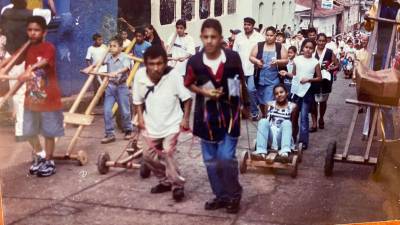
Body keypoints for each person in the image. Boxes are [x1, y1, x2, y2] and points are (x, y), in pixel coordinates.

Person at [184, 18, 250, 214]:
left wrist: (246, 105)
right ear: (201, 38)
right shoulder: (195, 61)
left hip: (230, 114)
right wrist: (204, 92)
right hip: (205, 118)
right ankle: (221, 196)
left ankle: (234, 194)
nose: (210, 41)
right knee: (211, 162)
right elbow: (188, 83)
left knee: (225, 157)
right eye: (206, 37)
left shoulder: (232, 57)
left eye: (214, 37)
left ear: (221, 38)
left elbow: (241, 82)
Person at [133, 46, 192, 202]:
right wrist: (139, 118)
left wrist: (185, 119)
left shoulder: (173, 76)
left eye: (160, 63)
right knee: (147, 156)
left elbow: (187, 99)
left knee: (167, 152)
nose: (156, 68)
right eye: (151, 64)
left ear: (165, 63)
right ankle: (165, 180)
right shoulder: (139, 76)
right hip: (150, 124)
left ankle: (177, 185)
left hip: (172, 124)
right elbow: (137, 101)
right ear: (145, 63)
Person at [17, 16, 64, 177]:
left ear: (44, 32)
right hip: (32, 95)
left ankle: (49, 161)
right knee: (28, 130)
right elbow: (14, 59)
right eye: (30, 30)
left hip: (49, 96)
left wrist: (30, 70)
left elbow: (44, 62)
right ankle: (41, 155)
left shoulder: (48, 47)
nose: (32, 33)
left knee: (49, 131)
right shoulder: (27, 48)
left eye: (36, 30)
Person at [84, 36, 133, 144]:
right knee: (106, 111)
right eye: (110, 46)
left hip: (121, 87)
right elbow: (99, 62)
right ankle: (109, 134)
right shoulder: (109, 56)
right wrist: (90, 67)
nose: (111, 48)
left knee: (125, 111)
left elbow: (126, 68)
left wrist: (117, 72)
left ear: (120, 48)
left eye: (114, 46)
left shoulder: (125, 57)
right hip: (110, 87)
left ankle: (128, 130)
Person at [249, 26, 288, 115]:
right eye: (267, 35)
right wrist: (257, 61)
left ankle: (268, 118)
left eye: (271, 35)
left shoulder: (279, 47)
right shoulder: (259, 45)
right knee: (261, 99)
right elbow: (251, 57)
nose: (268, 37)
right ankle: (264, 115)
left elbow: (286, 61)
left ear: (275, 36)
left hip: (273, 79)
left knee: (268, 101)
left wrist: (277, 62)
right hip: (259, 78)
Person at [291, 39, 322, 150]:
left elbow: (319, 78)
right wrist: (286, 74)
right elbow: (294, 74)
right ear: (302, 48)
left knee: (304, 117)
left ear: (313, 50)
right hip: (296, 91)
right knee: (293, 116)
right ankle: (292, 138)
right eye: (306, 47)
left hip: (307, 92)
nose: (308, 50)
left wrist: (309, 79)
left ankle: (303, 141)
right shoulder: (297, 59)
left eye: (310, 48)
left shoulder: (315, 62)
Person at [255, 84, 297, 163]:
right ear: (274, 96)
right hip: (270, 138)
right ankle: (261, 151)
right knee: (263, 121)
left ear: (287, 93)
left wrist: (292, 141)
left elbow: (294, 125)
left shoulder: (293, 106)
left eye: (281, 92)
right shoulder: (269, 105)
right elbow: (265, 124)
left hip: (282, 137)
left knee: (287, 122)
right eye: (276, 93)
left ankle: (284, 152)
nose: (279, 95)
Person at [232, 17, 264, 120]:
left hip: (253, 69)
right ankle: (242, 112)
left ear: (253, 26)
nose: (246, 26)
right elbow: (234, 53)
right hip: (239, 69)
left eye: (249, 25)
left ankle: (254, 112)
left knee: (251, 90)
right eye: (245, 24)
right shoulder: (239, 37)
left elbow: (263, 52)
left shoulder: (259, 37)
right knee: (236, 91)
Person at [310, 33, 338, 131]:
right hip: (313, 79)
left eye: (323, 41)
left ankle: (321, 118)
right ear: (316, 41)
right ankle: (314, 124)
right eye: (319, 40)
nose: (321, 42)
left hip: (325, 80)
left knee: (323, 101)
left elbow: (337, 65)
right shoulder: (312, 51)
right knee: (313, 102)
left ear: (326, 42)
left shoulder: (330, 52)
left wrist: (331, 68)